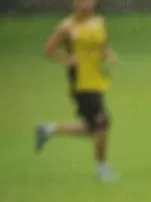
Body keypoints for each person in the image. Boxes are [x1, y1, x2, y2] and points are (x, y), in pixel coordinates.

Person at [36, 0, 120, 182]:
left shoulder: (99, 21)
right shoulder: (67, 26)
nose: (87, 4)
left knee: (93, 127)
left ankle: (49, 129)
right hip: (81, 82)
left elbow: (103, 45)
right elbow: (49, 49)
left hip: (97, 79)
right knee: (101, 123)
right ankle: (102, 169)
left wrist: (109, 54)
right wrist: (67, 59)